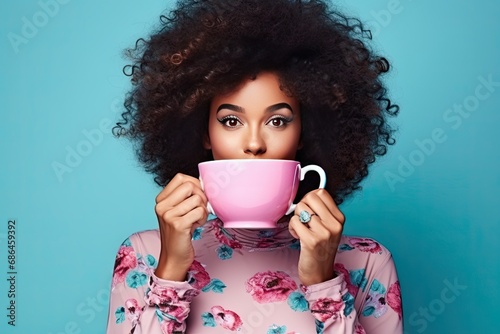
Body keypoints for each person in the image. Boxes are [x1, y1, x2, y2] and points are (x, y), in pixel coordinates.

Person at [107, 0, 403, 333]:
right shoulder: (143, 255)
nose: (254, 143)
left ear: (305, 134)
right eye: (231, 120)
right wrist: (171, 270)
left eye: (277, 121)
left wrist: (325, 284)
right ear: (203, 133)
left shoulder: (368, 262)